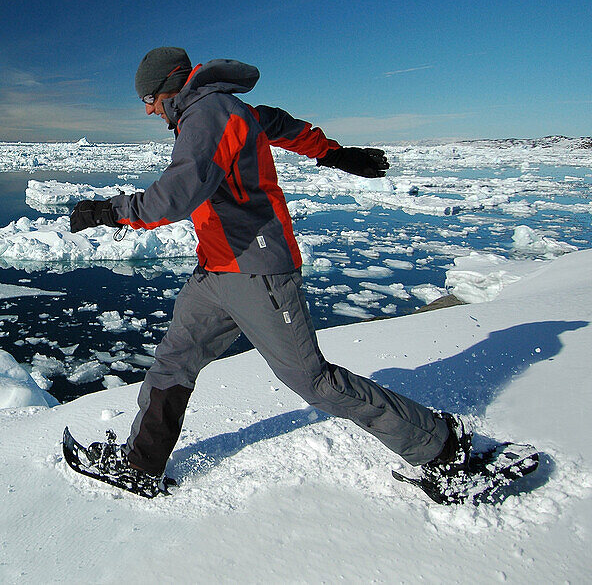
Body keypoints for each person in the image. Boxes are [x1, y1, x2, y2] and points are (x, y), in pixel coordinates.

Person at [69, 47, 471, 499]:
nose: (146, 109)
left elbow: (176, 195)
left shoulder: (207, 114)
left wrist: (110, 211)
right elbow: (278, 123)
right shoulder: (221, 108)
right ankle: (141, 466)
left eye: (148, 98)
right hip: (217, 269)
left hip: (257, 271)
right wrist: (334, 154)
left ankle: (442, 449)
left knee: (312, 381)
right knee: (174, 359)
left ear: (169, 87)